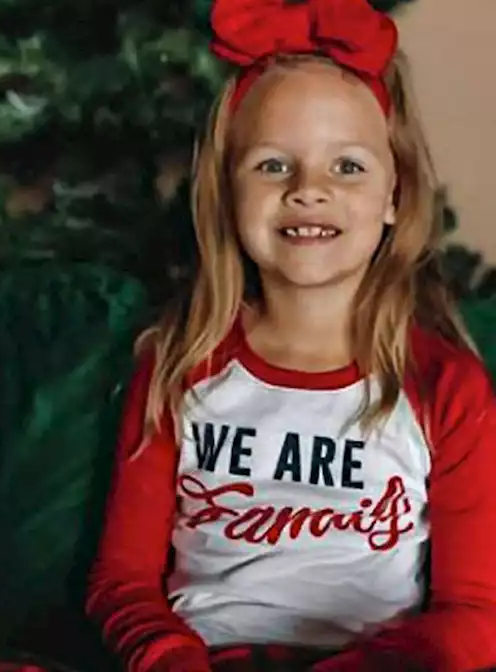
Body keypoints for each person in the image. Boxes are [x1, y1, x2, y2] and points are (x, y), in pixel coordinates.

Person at [85, 0, 496, 671]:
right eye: (274, 165)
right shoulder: (178, 365)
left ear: (396, 195)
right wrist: (171, 661)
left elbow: (477, 615)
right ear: (226, 192)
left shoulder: (445, 386)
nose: (310, 189)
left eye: (348, 167)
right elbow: (121, 583)